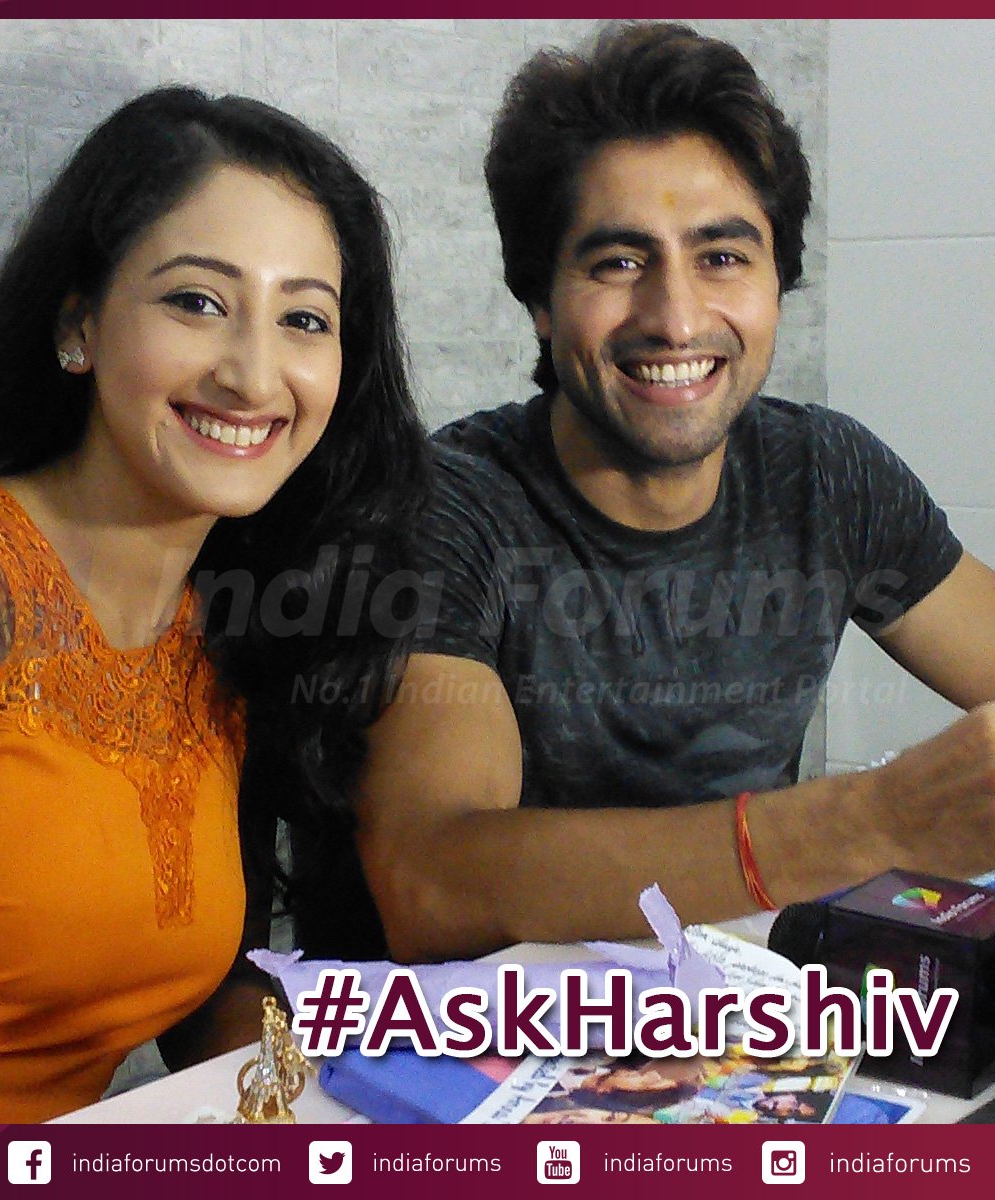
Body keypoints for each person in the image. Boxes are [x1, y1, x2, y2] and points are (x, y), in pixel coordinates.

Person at [0, 87, 427, 1122]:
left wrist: (368, 1108)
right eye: (198, 302)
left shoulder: (226, 623)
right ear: (78, 324)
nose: (253, 373)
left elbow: (207, 999)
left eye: (305, 319)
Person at [354, 22, 995, 962]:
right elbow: (434, 883)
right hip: (497, 1030)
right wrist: (868, 821)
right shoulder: (448, 507)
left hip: (739, 1016)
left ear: (779, 281)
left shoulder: (828, 476)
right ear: (539, 300)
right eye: (619, 261)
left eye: (722, 257)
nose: (676, 317)